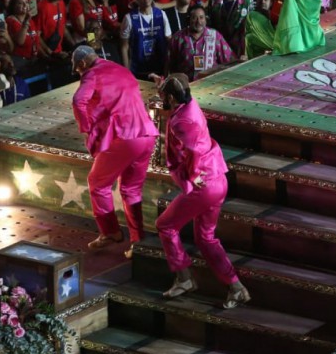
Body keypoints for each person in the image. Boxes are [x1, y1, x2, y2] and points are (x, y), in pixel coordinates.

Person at [150, 73, 251, 306]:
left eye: (164, 95)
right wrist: (164, 84)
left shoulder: (180, 122)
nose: (161, 98)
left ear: (172, 99)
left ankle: (184, 278)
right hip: (217, 179)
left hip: (204, 183)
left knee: (165, 225)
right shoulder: (189, 103)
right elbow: (178, 88)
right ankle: (236, 287)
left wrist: (192, 176)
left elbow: (194, 151)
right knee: (205, 238)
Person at [71, 45, 158, 255]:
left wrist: (86, 127)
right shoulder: (119, 68)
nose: (79, 73)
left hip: (125, 138)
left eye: (77, 70)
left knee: (97, 183)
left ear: (82, 64)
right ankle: (138, 242)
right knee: (131, 190)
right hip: (146, 134)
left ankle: (110, 231)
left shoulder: (91, 74)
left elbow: (78, 100)